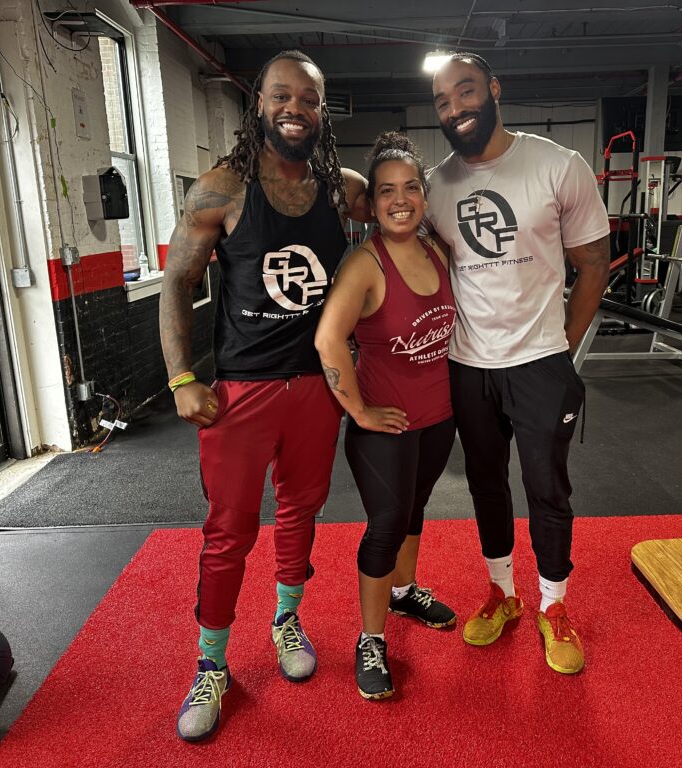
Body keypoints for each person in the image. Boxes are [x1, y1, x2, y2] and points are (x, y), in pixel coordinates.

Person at [159, 50, 371, 742]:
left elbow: (410, 203)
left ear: (322, 110)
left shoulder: (343, 190)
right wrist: (182, 378)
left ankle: (286, 621)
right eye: (282, 97)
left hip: (315, 388)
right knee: (228, 534)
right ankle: (211, 665)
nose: (295, 110)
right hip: (240, 393)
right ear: (259, 105)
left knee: (301, 514)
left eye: (308, 100)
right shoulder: (220, 189)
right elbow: (175, 286)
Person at [425, 53, 610, 674]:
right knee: (485, 482)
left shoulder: (558, 166)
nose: (456, 109)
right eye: (443, 102)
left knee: (546, 486)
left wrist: (561, 344)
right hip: (467, 363)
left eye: (466, 92)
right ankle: (502, 594)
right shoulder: (433, 185)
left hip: (538, 362)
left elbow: (593, 264)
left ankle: (553, 606)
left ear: (494, 89)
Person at [315, 133, 457, 700]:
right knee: (386, 522)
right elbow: (329, 342)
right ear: (371, 204)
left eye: (411, 188)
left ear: (424, 195)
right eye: (386, 192)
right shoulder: (364, 265)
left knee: (415, 509)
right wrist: (360, 411)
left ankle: (405, 591)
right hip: (384, 427)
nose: (401, 200)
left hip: (437, 417)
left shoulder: (437, 251)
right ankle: (370, 638)